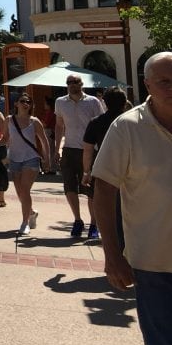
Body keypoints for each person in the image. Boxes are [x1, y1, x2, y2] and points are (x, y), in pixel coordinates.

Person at [92, 52, 172, 345]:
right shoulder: (126, 128)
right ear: (147, 84)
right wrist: (112, 256)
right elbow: (103, 191)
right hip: (154, 266)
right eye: (164, 82)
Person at [55, 74, 105, 238]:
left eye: (75, 82)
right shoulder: (60, 102)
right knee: (69, 187)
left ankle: (94, 225)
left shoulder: (93, 102)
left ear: (81, 84)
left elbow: (101, 124)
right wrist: (56, 149)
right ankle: (77, 220)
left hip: (89, 150)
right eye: (69, 82)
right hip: (69, 149)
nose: (72, 85)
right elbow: (59, 126)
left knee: (91, 190)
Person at [80, 87, 129, 235]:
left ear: (105, 103)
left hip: (104, 167)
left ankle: (103, 231)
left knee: (104, 203)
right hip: (130, 167)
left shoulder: (96, 122)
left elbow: (87, 150)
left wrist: (86, 171)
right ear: (125, 103)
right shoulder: (132, 122)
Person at [8, 93, 49, 235]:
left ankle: (24, 223)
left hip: (31, 158)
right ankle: (31, 212)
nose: (26, 104)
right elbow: (5, 138)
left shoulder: (34, 121)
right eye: (23, 101)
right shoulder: (9, 120)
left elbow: (44, 141)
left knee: (25, 191)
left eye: (28, 102)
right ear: (16, 104)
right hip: (14, 159)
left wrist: (47, 158)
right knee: (20, 193)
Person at [41, 97, 58, 173]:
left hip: (48, 131)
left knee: (48, 150)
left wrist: (40, 122)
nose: (44, 105)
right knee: (50, 149)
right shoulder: (51, 112)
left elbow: (45, 124)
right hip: (50, 131)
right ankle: (50, 167)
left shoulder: (50, 113)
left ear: (49, 105)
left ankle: (50, 168)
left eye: (45, 103)